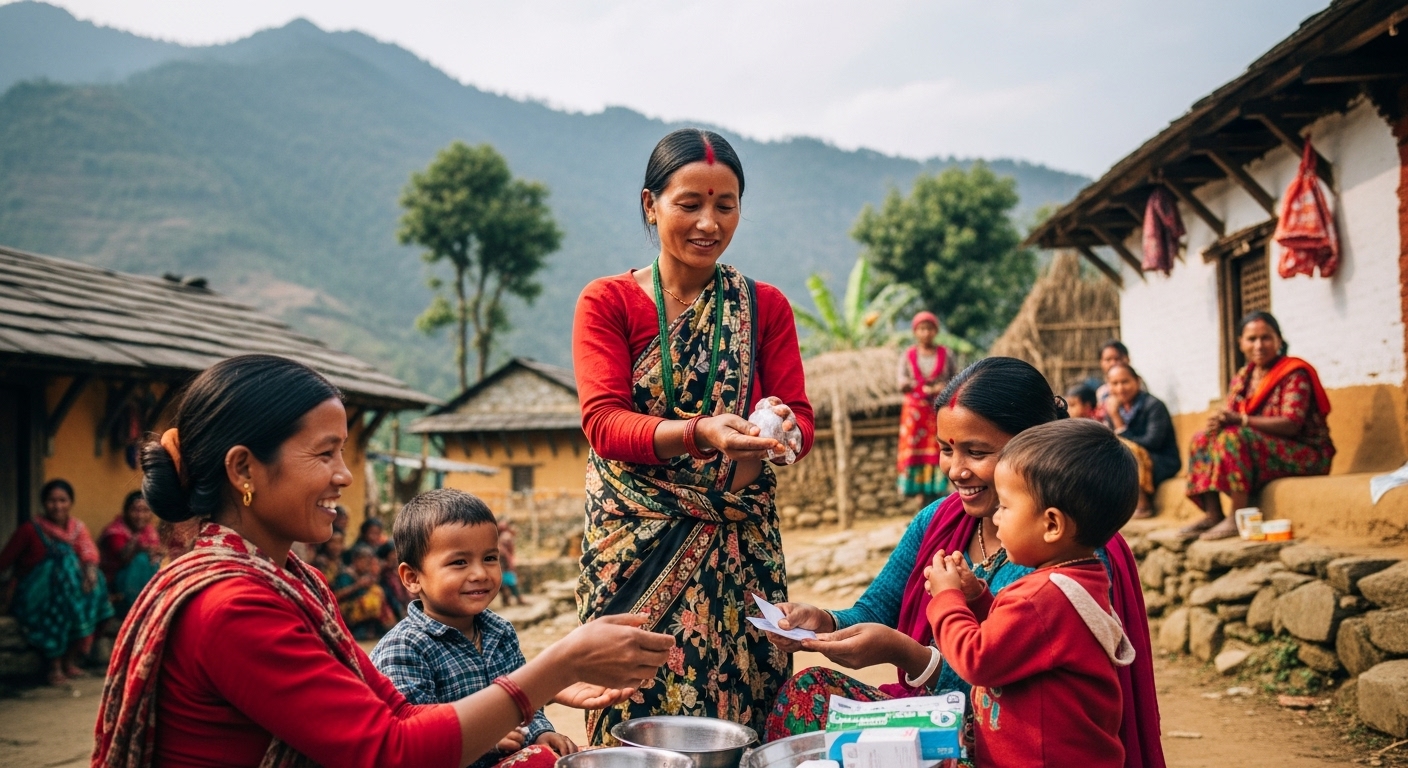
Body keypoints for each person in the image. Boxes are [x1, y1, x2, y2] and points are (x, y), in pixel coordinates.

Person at [92, 354, 673, 767]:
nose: (344, 476)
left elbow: (392, 711)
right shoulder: (232, 607)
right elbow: (390, 752)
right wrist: (558, 665)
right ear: (243, 470)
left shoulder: (294, 582)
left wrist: (548, 684)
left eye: (343, 453)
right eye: (324, 454)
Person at [762, 357, 1164, 768]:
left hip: (1012, 741)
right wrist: (823, 622)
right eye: (945, 449)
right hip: (942, 717)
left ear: (1031, 448)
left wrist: (907, 651)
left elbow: (992, 671)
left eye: (977, 451)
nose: (956, 470)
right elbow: (875, 610)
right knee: (809, 693)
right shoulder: (940, 519)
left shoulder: (1067, 556)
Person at [571, 128, 813, 744]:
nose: (709, 222)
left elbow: (801, 419)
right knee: (633, 704)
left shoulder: (765, 307)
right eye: (689, 204)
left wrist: (784, 430)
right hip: (637, 539)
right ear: (650, 205)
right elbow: (604, 423)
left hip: (740, 541)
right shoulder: (609, 302)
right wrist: (703, 432)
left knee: (746, 708)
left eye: (725, 205)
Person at [926, 418, 1138, 767]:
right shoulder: (1077, 580)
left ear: (1052, 524)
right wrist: (977, 598)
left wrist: (946, 598)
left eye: (1005, 507)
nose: (995, 519)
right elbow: (1020, 640)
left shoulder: (1040, 596)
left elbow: (977, 659)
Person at [373, 489, 580, 768]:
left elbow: (525, 703)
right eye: (459, 562)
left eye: (490, 558)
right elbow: (413, 736)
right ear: (412, 578)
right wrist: (485, 740)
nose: (480, 573)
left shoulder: (500, 632)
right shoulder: (404, 649)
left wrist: (541, 732)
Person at [1183, 311, 1335, 540]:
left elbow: (1291, 424)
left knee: (1233, 437)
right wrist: (1220, 422)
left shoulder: (1294, 373)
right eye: (1251, 339)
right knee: (1202, 439)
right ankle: (1213, 514)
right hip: (1261, 449)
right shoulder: (1244, 377)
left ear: (1278, 341)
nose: (1259, 345)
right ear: (1240, 343)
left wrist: (1241, 420)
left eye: (1266, 338)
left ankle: (1238, 515)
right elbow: (1231, 415)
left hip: (1305, 453)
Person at [0, 479, 114, 686]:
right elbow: (5, 560)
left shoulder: (78, 529)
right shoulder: (30, 529)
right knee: (63, 571)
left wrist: (89, 573)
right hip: (36, 594)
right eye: (52, 501)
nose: (57, 506)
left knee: (94, 583)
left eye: (63, 500)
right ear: (44, 503)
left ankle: (69, 661)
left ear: (70, 503)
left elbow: (89, 557)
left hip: (70, 593)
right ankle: (54, 666)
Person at [1103, 364, 1180, 518]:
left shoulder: (1153, 406)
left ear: (1137, 381)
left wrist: (1118, 421)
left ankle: (1143, 504)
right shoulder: (1115, 408)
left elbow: (1153, 442)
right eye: (1114, 383)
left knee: (1125, 449)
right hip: (1138, 461)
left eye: (1125, 382)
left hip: (1162, 462)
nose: (1120, 388)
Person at [897, 311, 957, 502]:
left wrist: (943, 386)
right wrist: (909, 384)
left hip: (937, 410)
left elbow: (956, 379)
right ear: (916, 332)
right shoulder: (908, 355)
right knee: (916, 451)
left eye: (929, 328)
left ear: (935, 331)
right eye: (922, 329)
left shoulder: (946, 354)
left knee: (939, 446)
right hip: (915, 414)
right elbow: (900, 380)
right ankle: (919, 495)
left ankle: (938, 489)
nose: (926, 333)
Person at [99, 491, 163, 617]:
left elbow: (157, 554)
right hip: (115, 585)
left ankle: (148, 606)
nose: (140, 516)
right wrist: (139, 548)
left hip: (138, 583)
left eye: (145, 511)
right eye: (135, 510)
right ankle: (138, 609)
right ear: (126, 511)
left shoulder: (150, 532)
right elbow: (123, 557)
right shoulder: (115, 532)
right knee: (141, 559)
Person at [335, 544, 398, 640]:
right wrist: (357, 586)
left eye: (369, 562)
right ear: (355, 560)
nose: (367, 565)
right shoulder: (345, 575)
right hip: (347, 613)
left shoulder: (365, 575)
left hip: (364, 616)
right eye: (364, 561)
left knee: (377, 591)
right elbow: (336, 596)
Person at [1094, 339, 1131, 414]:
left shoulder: (1135, 385)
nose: (1113, 363)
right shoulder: (1101, 391)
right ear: (1101, 363)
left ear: (1127, 359)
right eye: (1108, 360)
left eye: (1117, 359)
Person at [379, 540, 412, 619]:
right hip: (394, 605)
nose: (396, 556)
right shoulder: (385, 572)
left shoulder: (406, 568)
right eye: (393, 553)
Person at [497, 520, 525, 607]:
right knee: (510, 583)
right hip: (504, 566)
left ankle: (508, 601)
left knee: (505, 584)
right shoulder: (505, 539)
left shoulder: (501, 540)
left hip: (503, 565)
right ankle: (515, 600)